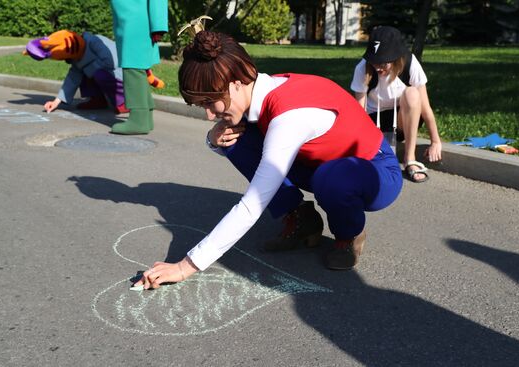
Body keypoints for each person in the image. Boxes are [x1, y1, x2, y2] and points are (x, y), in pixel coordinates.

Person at [133, 30, 403, 290]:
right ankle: (301, 218)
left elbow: (252, 205)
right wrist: (212, 140)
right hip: (322, 163)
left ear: (235, 84)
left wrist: (184, 266)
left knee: (330, 180)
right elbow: (237, 142)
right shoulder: (262, 90)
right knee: (236, 139)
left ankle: (349, 235)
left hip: (376, 171)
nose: (209, 115)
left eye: (209, 103)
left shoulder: (288, 118)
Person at [350, 25, 442, 183]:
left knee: (412, 93)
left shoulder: (410, 64)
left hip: (401, 122)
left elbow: (425, 108)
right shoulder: (363, 68)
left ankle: (409, 159)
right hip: (373, 123)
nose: (378, 67)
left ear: (395, 57)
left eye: (383, 63)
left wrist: (435, 141)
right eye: (374, 62)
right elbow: (359, 112)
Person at [24, 30, 128, 114]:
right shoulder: (77, 59)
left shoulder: (94, 41)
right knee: (85, 72)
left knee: (97, 72)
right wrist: (56, 101)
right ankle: (97, 99)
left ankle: (124, 102)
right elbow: (72, 80)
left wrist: (90, 67)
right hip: (105, 71)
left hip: (121, 72)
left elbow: (111, 62)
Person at [109, 0, 168, 135]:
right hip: (130, 20)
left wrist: (158, 26)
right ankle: (145, 117)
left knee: (133, 68)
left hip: (136, 21)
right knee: (136, 68)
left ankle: (138, 120)